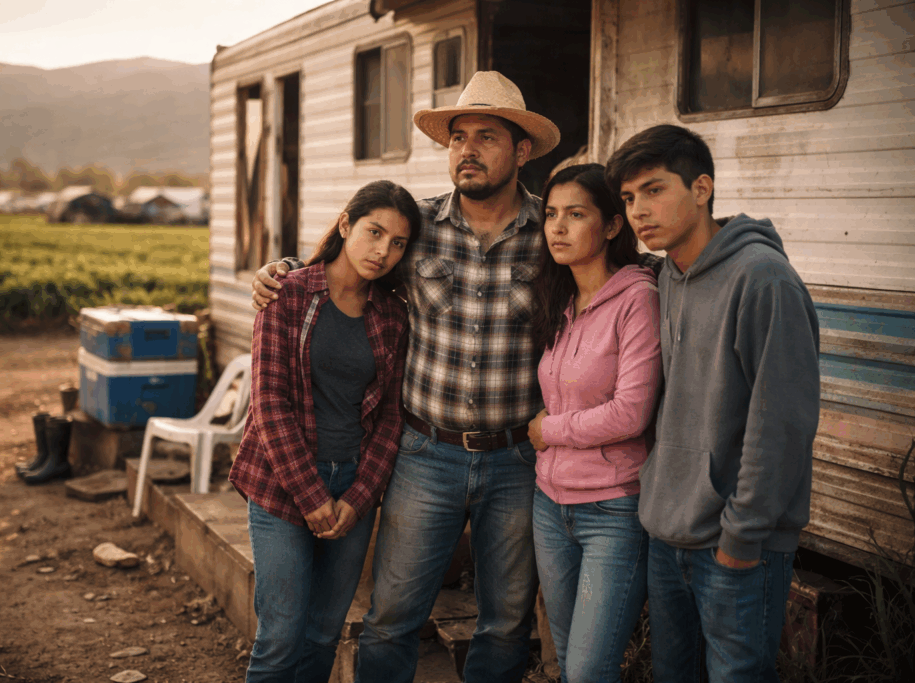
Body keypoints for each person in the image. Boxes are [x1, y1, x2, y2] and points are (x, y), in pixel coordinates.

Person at [252, 71, 560, 682]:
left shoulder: (552, 234)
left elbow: (619, 277)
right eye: (458, 138)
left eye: (487, 138)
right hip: (423, 453)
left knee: (505, 623)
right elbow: (346, 270)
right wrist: (283, 270)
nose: (467, 150)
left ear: (522, 151)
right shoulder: (415, 231)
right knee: (391, 617)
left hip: (517, 458)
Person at [606, 124, 821, 682]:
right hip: (668, 530)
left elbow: (783, 424)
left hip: (736, 543)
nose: (638, 211)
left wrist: (742, 536)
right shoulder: (668, 274)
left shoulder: (764, 280)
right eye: (629, 199)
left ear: (701, 188)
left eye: (654, 190)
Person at [229, 180, 420, 682]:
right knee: (281, 637)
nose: (383, 251)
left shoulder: (393, 316)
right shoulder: (287, 294)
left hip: (353, 487)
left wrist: (358, 498)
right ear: (345, 225)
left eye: (398, 242)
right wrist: (313, 497)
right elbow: (269, 403)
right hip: (280, 487)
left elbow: (390, 420)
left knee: (322, 635)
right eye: (374, 232)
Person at [526, 163, 661, 683]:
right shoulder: (561, 300)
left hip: (612, 509)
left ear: (611, 226)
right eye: (551, 215)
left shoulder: (637, 300)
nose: (557, 227)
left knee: (588, 670)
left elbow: (632, 413)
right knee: (565, 659)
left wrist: (548, 431)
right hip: (549, 506)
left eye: (575, 215)